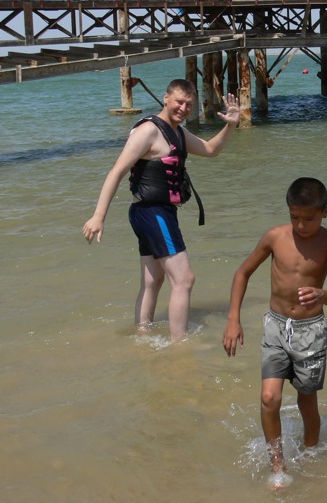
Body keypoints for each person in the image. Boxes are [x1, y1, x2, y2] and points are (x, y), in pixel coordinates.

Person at [82, 79, 240, 342]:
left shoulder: (177, 131)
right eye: (178, 101)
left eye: (189, 104)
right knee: (184, 278)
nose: (183, 108)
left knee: (153, 280)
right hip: (153, 212)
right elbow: (116, 172)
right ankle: (180, 344)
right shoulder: (148, 131)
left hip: (154, 214)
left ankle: (142, 334)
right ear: (165, 98)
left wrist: (231, 124)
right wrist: (99, 216)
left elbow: (211, 149)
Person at [223, 177, 327, 488]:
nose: (300, 225)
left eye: (308, 218)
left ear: (325, 212)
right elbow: (242, 272)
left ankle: (312, 452)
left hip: (311, 332)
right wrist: (233, 319)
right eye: (294, 217)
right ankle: (278, 466)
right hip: (276, 327)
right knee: (268, 398)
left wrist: (322, 295)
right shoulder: (275, 237)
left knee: (307, 402)